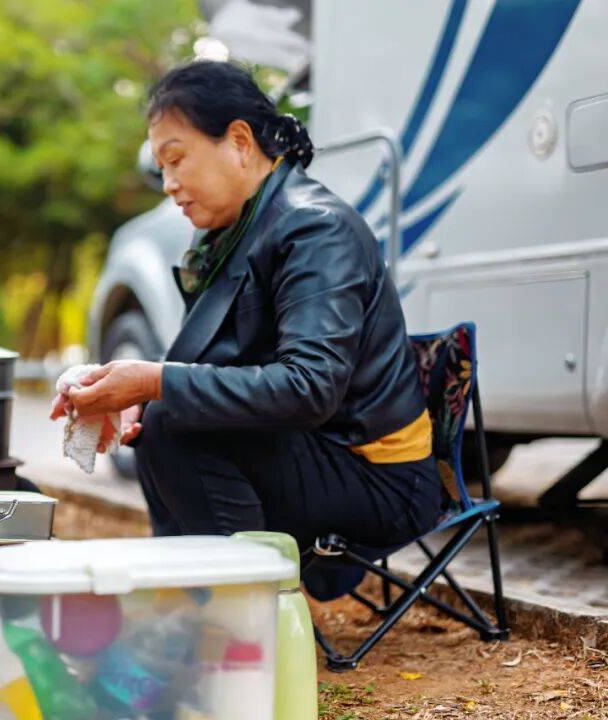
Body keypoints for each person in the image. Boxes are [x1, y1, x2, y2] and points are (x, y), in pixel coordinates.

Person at [51, 61, 442, 597]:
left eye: (176, 159)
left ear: (238, 140)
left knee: (173, 419)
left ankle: (240, 620)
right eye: (161, 168)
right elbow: (213, 373)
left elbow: (310, 387)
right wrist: (132, 396)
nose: (168, 185)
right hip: (312, 453)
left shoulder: (316, 229)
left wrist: (156, 383)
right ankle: (195, 605)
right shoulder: (231, 233)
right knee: (160, 421)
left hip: (379, 477)